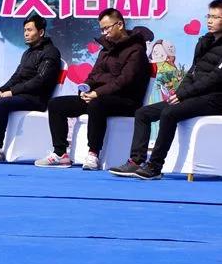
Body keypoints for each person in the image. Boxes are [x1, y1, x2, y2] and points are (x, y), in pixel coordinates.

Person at [109, 0, 222, 180]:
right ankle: (136, 162)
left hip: (217, 100)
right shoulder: (205, 41)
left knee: (169, 113)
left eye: (215, 17)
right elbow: (193, 72)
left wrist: (184, 94)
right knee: (143, 113)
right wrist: (179, 93)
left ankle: (154, 166)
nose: (209, 21)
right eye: (208, 16)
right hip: (196, 97)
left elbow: (216, 77)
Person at [36, 9, 152, 170]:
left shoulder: (136, 50)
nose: (104, 33)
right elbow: (94, 74)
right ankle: (60, 154)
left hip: (126, 100)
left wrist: (97, 93)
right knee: (56, 105)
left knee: (97, 104)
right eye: (102, 29)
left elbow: (124, 81)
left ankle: (93, 153)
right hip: (99, 97)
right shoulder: (106, 49)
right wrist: (85, 88)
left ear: (119, 24)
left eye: (107, 28)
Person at [0, 14, 62, 162]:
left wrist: (12, 92)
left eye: (30, 30)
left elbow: (40, 81)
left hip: (36, 99)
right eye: (25, 30)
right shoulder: (28, 53)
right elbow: (16, 77)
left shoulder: (51, 52)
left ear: (41, 32)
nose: (26, 33)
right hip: (19, 97)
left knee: (2, 103)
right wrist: (1, 90)